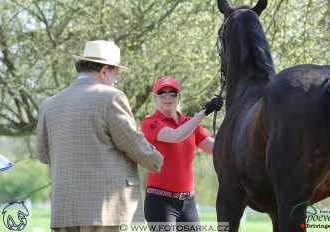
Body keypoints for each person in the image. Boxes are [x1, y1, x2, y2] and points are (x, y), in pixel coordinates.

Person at [36, 40, 163, 232]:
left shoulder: (49, 104)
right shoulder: (111, 97)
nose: (116, 81)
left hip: (64, 209)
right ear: (104, 71)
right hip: (103, 208)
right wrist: (157, 160)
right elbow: (131, 143)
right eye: (116, 74)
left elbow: (43, 155)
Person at [141, 76, 223, 225]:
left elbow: (216, 150)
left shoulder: (189, 124)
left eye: (172, 93)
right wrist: (204, 112)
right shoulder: (150, 123)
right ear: (155, 98)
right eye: (162, 93)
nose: (167, 97)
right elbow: (176, 136)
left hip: (187, 202)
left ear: (178, 98)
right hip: (160, 202)